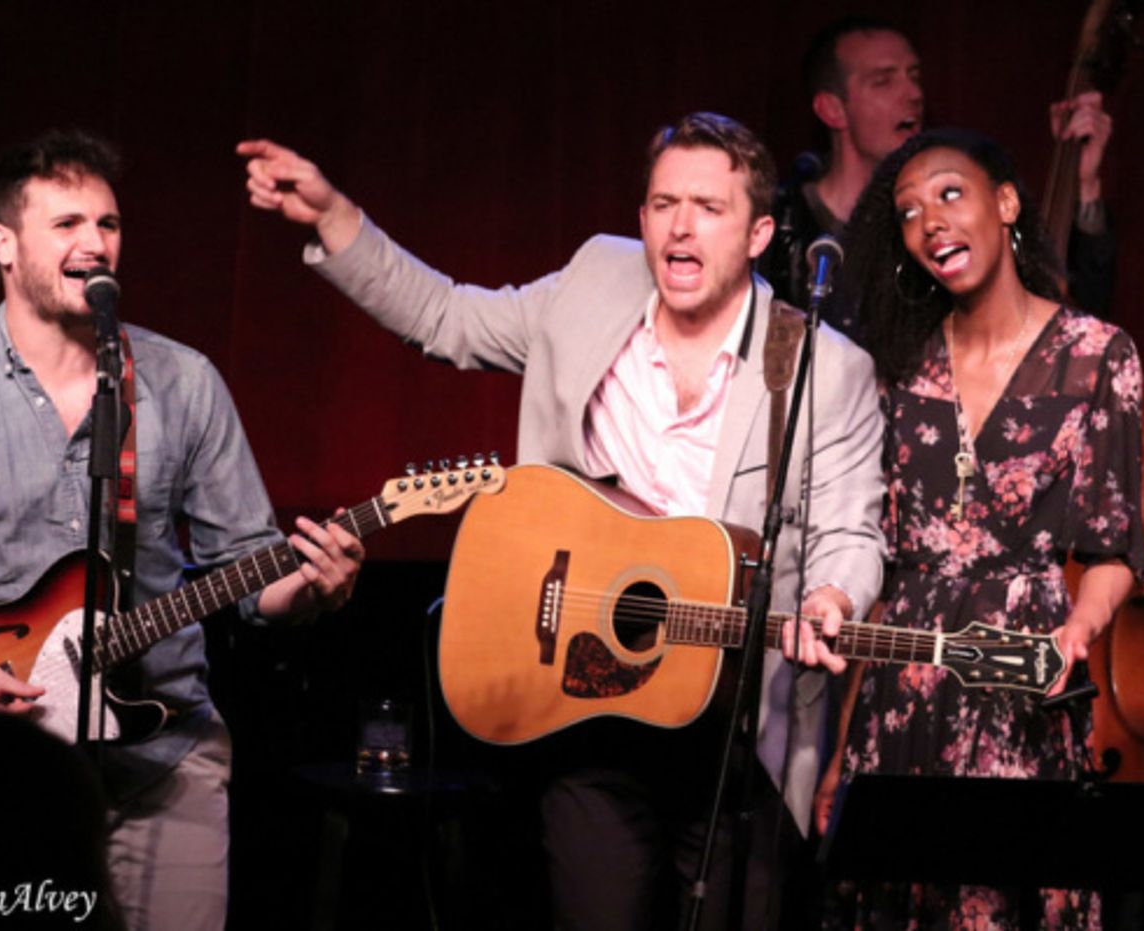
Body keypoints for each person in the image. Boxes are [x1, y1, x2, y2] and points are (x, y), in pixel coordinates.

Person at [238, 113, 885, 930]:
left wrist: (833, 595)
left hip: (737, 731)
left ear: (758, 232)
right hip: (590, 698)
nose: (680, 227)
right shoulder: (594, 282)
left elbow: (851, 533)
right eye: (662, 204)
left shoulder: (827, 368)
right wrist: (334, 216)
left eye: (709, 208)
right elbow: (449, 318)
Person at [0, 129, 365, 931]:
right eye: (66, 224)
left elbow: (248, 570)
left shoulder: (184, 381)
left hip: (166, 756)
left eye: (109, 223)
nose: (95, 243)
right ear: (3, 242)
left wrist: (308, 586)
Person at [809, 128, 1144, 929]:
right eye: (908, 211)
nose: (930, 221)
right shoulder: (899, 364)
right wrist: (836, 756)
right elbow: (885, 581)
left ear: (1006, 203)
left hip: (1022, 672)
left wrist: (1077, 628)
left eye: (950, 194)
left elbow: (1111, 546)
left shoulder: (1096, 355)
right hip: (900, 689)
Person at [760, 15, 1117, 335]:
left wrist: (1081, 184)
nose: (913, 94)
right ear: (832, 109)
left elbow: (1065, 309)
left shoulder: (945, 222)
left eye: (914, 77)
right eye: (884, 81)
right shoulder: (784, 225)